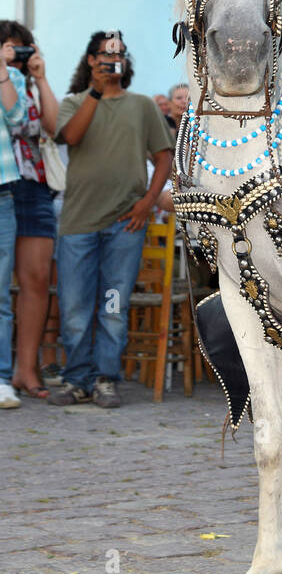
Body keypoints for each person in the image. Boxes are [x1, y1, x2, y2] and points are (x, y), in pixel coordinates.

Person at [48, 32, 174, 409]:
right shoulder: (73, 103)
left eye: (117, 53)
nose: (111, 59)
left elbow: (164, 157)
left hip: (125, 224)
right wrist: (97, 92)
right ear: (91, 61)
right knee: (74, 307)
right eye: (104, 54)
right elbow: (71, 136)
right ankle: (78, 380)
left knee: (114, 305)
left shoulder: (142, 106)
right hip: (78, 224)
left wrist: (148, 202)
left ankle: (105, 379)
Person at [0, 22, 60, 398]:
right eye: (7, 46)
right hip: (6, 180)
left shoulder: (29, 83)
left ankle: (25, 370)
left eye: (20, 48)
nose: (14, 53)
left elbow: (52, 127)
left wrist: (40, 77)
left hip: (34, 186)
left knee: (35, 278)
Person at [0, 54, 25, 409]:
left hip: (1, 195)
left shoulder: (12, 76)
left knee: (1, 297)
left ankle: (2, 378)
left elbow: (18, 120)